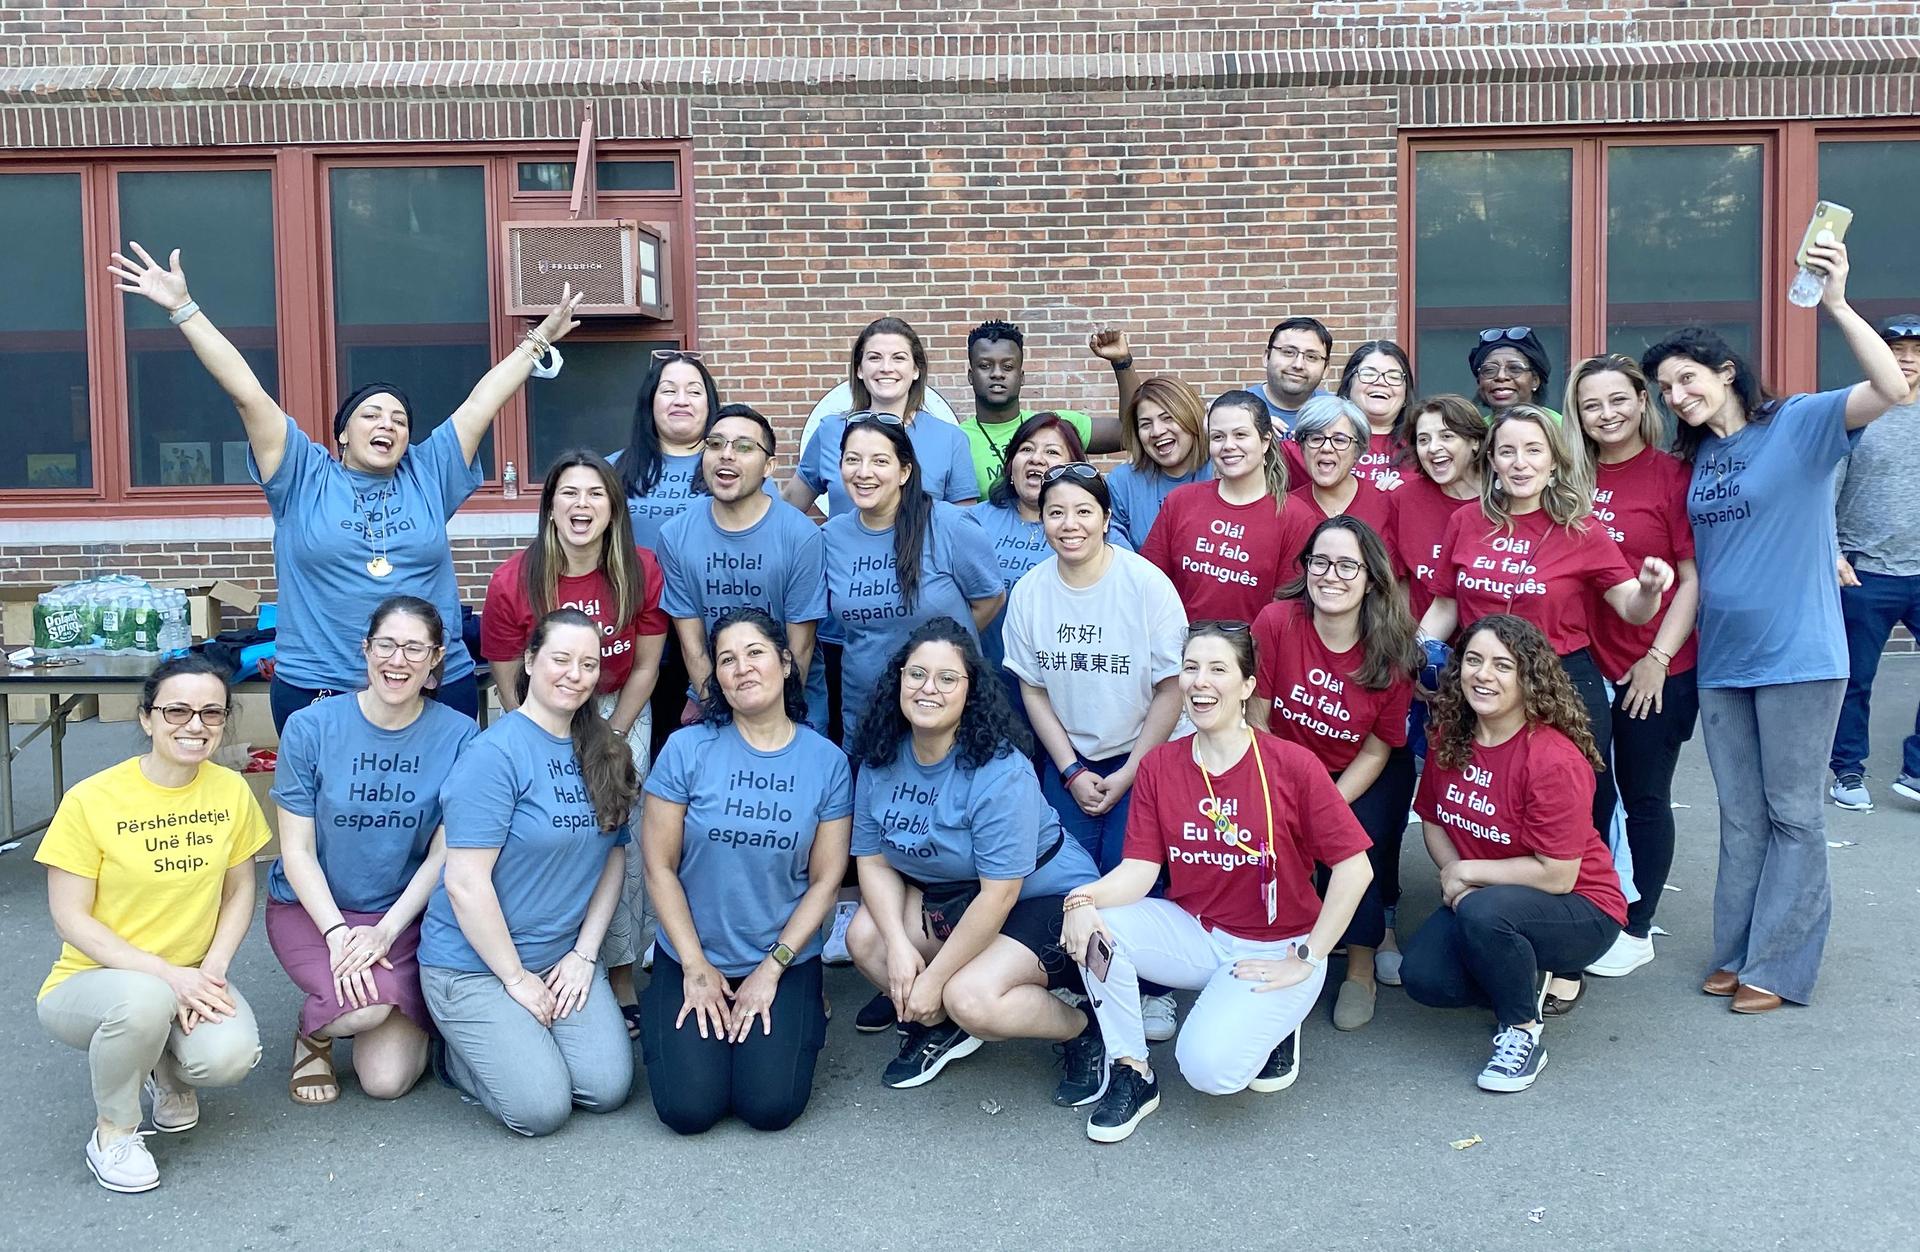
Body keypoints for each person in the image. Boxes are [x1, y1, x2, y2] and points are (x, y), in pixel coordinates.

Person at [106, 243, 583, 733]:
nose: (388, 424)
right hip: (322, 686)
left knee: (443, 807)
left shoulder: (428, 471)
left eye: (400, 419)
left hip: (432, 683)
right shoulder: (302, 474)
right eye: (371, 415)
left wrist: (537, 342)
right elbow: (247, 394)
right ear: (342, 433)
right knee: (327, 809)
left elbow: (484, 400)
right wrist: (185, 310)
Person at [1641, 240, 1908, 1012]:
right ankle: (1737, 950)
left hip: (1799, 654)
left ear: (1725, 371)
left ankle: (1779, 967)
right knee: (1740, 815)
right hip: (1725, 659)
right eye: (1665, 388)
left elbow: (1890, 387)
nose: (1676, 395)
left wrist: (1835, 302)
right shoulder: (1695, 462)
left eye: (1686, 378)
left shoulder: (1797, 424)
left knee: (1794, 813)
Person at [1058, 623, 1373, 1143]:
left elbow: (1355, 868)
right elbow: (1141, 871)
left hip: (1278, 950)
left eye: (1218, 669)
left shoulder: (1291, 765)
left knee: (1210, 1073)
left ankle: (1275, 1020)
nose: (1200, 682)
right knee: (1097, 929)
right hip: (1198, 934)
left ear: (1248, 685)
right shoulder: (1161, 764)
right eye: (1191, 668)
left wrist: (1309, 956)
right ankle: (1132, 1070)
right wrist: (1082, 899)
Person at [35, 655, 271, 1193]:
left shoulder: (230, 790)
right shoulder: (92, 800)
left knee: (228, 1057)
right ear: (147, 718)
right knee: (144, 1001)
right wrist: (169, 977)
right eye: (177, 710)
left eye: (212, 713)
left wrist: (210, 972)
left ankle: (165, 1071)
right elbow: (70, 918)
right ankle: (114, 1132)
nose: (196, 725)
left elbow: (239, 891)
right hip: (94, 980)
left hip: (190, 971)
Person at [843, 620, 1105, 1099]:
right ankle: (946, 1026)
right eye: (917, 674)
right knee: (865, 938)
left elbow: (1000, 893)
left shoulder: (998, 770)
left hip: (1043, 898)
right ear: (898, 679)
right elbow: (874, 860)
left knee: (970, 996)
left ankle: (1082, 1029)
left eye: (947, 679)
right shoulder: (881, 753)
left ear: (971, 691)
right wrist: (900, 948)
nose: (929, 689)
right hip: (956, 894)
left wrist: (935, 981)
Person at [420, 610, 636, 1136]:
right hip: (474, 965)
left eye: (588, 664)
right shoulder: (493, 756)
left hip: (560, 958)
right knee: (542, 1109)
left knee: (606, 1090)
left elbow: (613, 856)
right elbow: (465, 881)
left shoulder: (605, 750)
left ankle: (522, 1045)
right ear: (530, 661)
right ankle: (454, 1057)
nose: (575, 674)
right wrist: (515, 979)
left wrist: (585, 956)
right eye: (560, 659)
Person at [639, 610, 852, 1134]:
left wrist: (773, 968)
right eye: (727, 659)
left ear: (784, 663)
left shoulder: (826, 763)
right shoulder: (687, 749)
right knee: (689, 1111)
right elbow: (659, 866)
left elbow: (826, 880)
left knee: (769, 1107)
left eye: (755, 653)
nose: (742, 668)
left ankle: (803, 1008)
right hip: (691, 953)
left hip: (779, 954)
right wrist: (694, 965)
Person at [1419, 404, 1675, 838]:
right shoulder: (1465, 521)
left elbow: (1631, 607)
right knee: (1488, 797)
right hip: (1481, 680)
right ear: (1493, 461)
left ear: (1554, 460)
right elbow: (1445, 605)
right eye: (1508, 451)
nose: (1520, 463)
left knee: (1577, 804)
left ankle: (1577, 896)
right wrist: (1418, 654)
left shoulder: (1582, 530)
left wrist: (1650, 590)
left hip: (1561, 683)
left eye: (1534, 450)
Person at [481, 450, 668, 1034]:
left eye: (594, 494)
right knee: (543, 832)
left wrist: (611, 738)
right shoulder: (515, 577)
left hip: (615, 708)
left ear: (613, 508)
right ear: (550, 506)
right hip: (538, 709)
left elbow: (644, 666)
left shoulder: (640, 569)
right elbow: (507, 669)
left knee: (622, 840)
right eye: (568, 493)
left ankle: (615, 971)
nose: (580, 505)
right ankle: (527, 957)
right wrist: (541, 737)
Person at [1400, 615, 1624, 1092]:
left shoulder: (1553, 759)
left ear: (1529, 678)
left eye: (1503, 665)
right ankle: (1518, 968)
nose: (1484, 674)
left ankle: (1522, 1031)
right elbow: (1434, 821)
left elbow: (1559, 875)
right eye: (1474, 660)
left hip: (1581, 908)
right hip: (1490, 896)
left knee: (1485, 916)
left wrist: (1466, 875)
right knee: (1423, 978)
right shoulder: (1451, 736)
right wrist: (1456, 878)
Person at [267, 597, 477, 1105]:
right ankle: (313, 1033)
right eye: (386, 644)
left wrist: (385, 930)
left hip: (403, 916)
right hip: (315, 908)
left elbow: (444, 855)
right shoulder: (311, 728)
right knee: (359, 1013)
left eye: (413, 648)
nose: (397, 660)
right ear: (365, 650)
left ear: (434, 662)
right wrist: (339, 935)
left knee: (386, 1081)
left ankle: (412, 1010)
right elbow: (296, 851)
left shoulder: (460, 735)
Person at [1004, 463, 1187, 1040]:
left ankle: (1153, 991)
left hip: (1145, 752)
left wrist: (1133, 771)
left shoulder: (1146, 584)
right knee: (1064, 879)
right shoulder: (1031, 591)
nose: (1070, 524)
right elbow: (1032, 687)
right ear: (1041, 520)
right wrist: (1070, 768)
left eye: (1084, 511)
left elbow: (1172, 687)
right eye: (1056, 512)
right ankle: (1075, 980)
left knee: (1135, 877)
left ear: (1107, 519)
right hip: (1071, 759)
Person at [1250, 516, 1419, 1031]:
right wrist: (1287, 791)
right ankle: (1273, 946)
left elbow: (1377, 749)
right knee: (1277, 844)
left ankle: (1360, 966)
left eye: (1348, 565)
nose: (1332, 575)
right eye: (1320, 562)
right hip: (1281, 759)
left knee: (1354, 847)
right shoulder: (1277, 621)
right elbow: (1257, 712)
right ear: (1305, 569)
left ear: (1372, 577)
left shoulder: (1393, 650)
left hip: (1362, 770)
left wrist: (1325, 802)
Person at [1566, 356, 1701, 981]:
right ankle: (1596, 899)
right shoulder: (1569, 476)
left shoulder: (1671, 474)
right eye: (1592, 405)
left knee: (1645, 796)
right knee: (1593, 791)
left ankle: (1638, 924)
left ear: (1642, 401)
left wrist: (1657, 658)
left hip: (1658, 665)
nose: (1607, 415)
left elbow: (1691, 577)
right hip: (1586, 663)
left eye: (1618, 400)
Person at [820, 415, 1003, 743]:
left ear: (904, 471)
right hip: (867, 717)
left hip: (945, 712)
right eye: (852, 460)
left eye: (879, 461)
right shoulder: (831, 537)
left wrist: (946, 645)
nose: (864, 472)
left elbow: (990, 598)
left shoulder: (951, 526)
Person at [659, 403, 829, 730]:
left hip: (791, 705)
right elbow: (692, 644)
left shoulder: (800, 536)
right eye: (715, 444)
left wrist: (772, 725)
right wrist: (719, 713)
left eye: (743, 447)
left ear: (769, 466)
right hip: (713, 699)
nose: (726, 454)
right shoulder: (676, 535)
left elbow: (801, 647)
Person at [1828, 313, 1920, 811]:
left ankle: (1917, 771)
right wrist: (1833, 552)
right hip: (1864, 571)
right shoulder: (1856, 412)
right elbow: (1824, 491)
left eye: (1916, 352)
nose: (1906, 360)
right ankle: (1846, 771)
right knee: (1855, 681)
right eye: (1896, 350)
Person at [615, 350, 726, 756]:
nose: (682, 400)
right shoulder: (614, 471)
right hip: (634, 640)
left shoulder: (731, 467)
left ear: (710, 404)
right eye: (669, 390)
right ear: (650, 402)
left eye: (694, 391)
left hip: (710, 639)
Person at [1141, 390, 1319, 624]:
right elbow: (1150, 586)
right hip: (1184, 654)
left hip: (1252, 656)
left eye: (1241, 435)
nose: (1228, 446)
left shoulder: (1296, 517)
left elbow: (1287, 610)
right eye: (1218, 437)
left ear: (1265, 441)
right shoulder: (1180, 502)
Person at [969, 414, 1128, 665]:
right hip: (987, 683)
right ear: (1011, 465)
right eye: (1026, 449)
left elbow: (1127, 602)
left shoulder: (1098, 531)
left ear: (1073, 467)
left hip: (1068, 674)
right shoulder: (971, 522)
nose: (1036, 458)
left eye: (1052, 452)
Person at [785, 317, 979, 516]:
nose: (886, 367)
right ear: (859, 369)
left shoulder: (950, 439)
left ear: (915, 370)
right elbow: (789, 508)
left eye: (898, 358)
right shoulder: (829, 431)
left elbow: (963, 527)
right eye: (875, 358)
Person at [959, 320, 1124, 495]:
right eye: (985, 366)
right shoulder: (956, 440)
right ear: (971, 375)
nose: (997, 374)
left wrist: (1122, 362)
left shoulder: (1056, 426)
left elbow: (1128, 434)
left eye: (1007, 367)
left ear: (1021, 377)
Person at [1387, 395, 1486, 621]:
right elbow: (1400, 582)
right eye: (1423, 440)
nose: (1433, 448)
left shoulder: (1503, 500)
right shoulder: (1404, 499)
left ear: (1475, 441)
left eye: (1447, 436)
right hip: (1425, 644)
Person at [1104, 370, 1213, 549]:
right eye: (1146, 424)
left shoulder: (1221, 468)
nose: (1157, 431)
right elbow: (1119, 556)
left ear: (1192, 417)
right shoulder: (1123, 482)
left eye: (1167, 418)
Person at [1288, 395, 1398, 547]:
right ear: (1302, 447)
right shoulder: (1286, 509)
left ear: (1358, 451)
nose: (1326, 448)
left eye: (1340, 440)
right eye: (1316, 438)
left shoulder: (1387, 503)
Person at [1335, 340, 1418, 491]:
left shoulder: (1422, 443)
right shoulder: (1318, 441)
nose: (1381, 382)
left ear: (1406, 393)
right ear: (1349, 385)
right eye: (1369, 374)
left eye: (1394, 376)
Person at [1253, 316, 1335, 431]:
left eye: (1311, 357)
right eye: (1288, 352)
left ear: (1326, 369)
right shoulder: (1232, 411)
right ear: (1267, 357)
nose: (1298, 365)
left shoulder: (1338, 415)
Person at [1470, 326, 1560, 420]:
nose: (1501, 376)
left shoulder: (1563, 428)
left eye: (1514, 369)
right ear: (1479, 382)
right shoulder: (1476, 431)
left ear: (1535, 381)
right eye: (1489, 370)